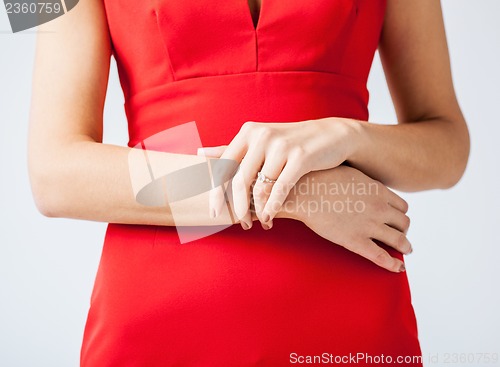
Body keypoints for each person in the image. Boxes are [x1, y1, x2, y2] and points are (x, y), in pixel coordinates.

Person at [28, 0, 469, 366]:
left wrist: (347, 134)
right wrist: (293, 192)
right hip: (159, 313)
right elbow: (53, 173)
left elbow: (450, 148)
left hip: (350, 304)